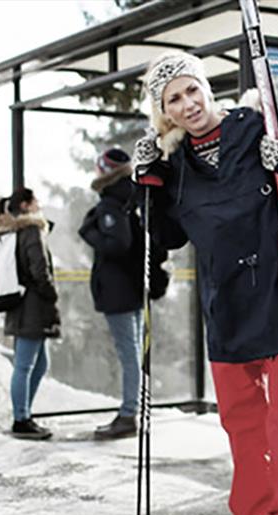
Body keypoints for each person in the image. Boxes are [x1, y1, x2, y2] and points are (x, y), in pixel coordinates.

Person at [130, 51, 278, 515]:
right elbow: (162, 238)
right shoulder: (177, 167)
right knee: (242, 426)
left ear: (207, 88)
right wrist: (144, 181)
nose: (188, 104)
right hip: (225, 306)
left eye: (192, 90)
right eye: (174, 99)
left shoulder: (255, 127)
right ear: (164, 112)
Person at [79, 148, 170, 440]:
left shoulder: (110, 203)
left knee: (129, 353)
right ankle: (134, 410)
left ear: (105, 172)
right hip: (133, 286)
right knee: (133, 352)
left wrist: (90, 233)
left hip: (118, 290)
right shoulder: (132, 195)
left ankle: (130, 414)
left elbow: (118, 244)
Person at [0, 188, 62, 442]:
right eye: (34, 201)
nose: (39, 204)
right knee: (24, 365)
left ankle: (25, 415)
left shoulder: (12, 232)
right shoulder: (31, 231)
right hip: (32, 307)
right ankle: (21, 419)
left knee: (40, 363)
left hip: (23, 306)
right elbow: (39, 270)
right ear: (25, 205)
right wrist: (51, 293)